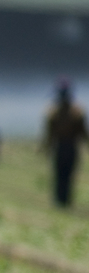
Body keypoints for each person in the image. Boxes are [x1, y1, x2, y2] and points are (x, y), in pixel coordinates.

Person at [43, 79, 88, 207]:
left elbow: (49, 133)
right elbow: (83, 132)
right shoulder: (76, 111)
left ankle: (60, 200)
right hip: (70, 146)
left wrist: (46, 147)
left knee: (60, 174)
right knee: (67, 174)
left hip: (61, 146)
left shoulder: (53, 111)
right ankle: (64, 201)